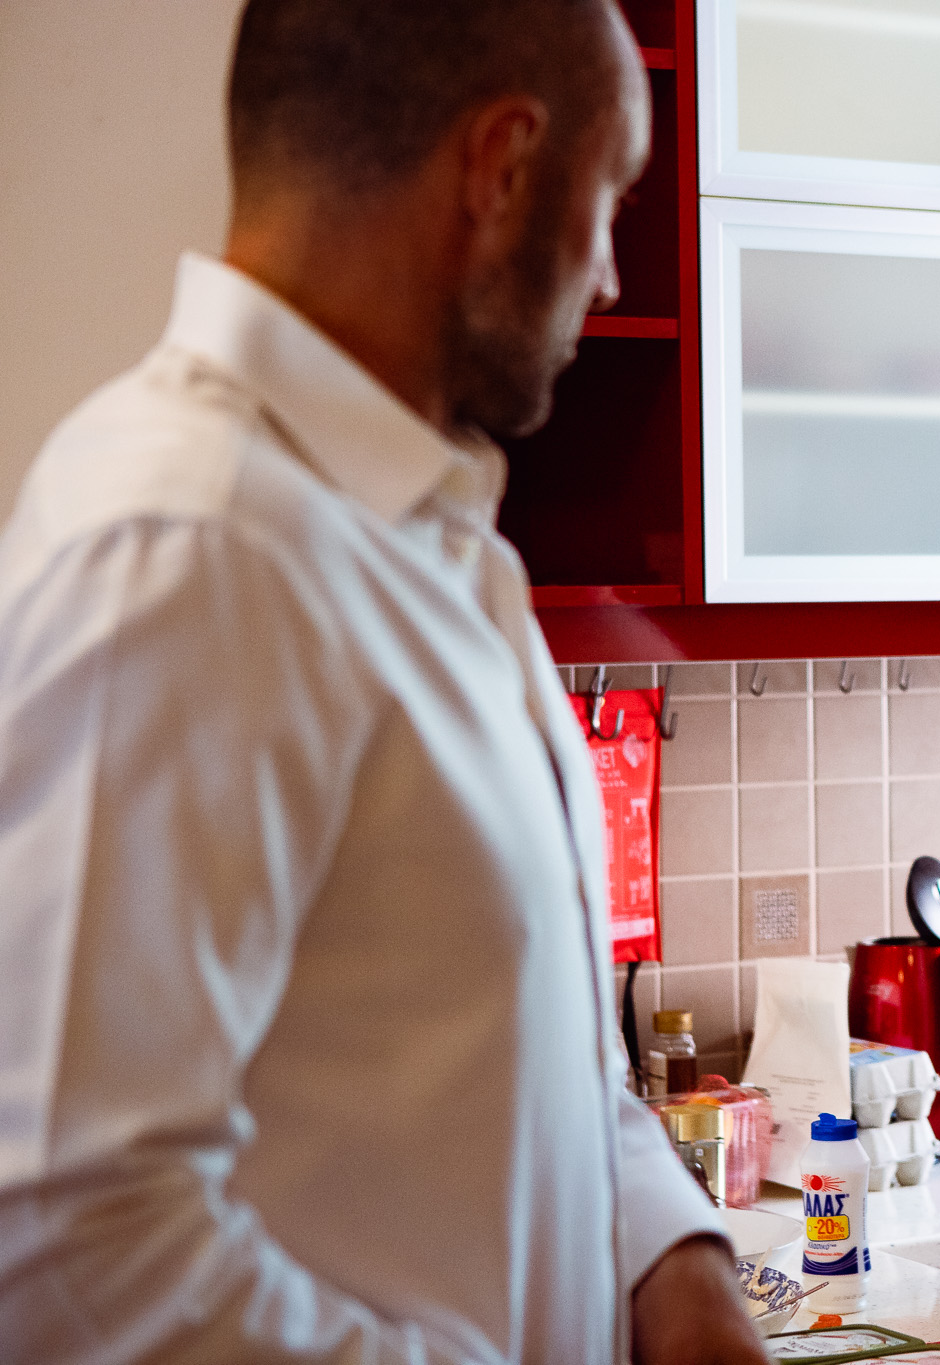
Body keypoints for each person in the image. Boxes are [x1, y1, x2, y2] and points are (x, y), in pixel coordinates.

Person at [0, 3, 766, 1361]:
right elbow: (60, 1241)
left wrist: (675, 1256)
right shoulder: (187, 544)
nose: (603, 276)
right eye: (607, 206)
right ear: (502, 168)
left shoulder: (425, 538)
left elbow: (539, 1049)